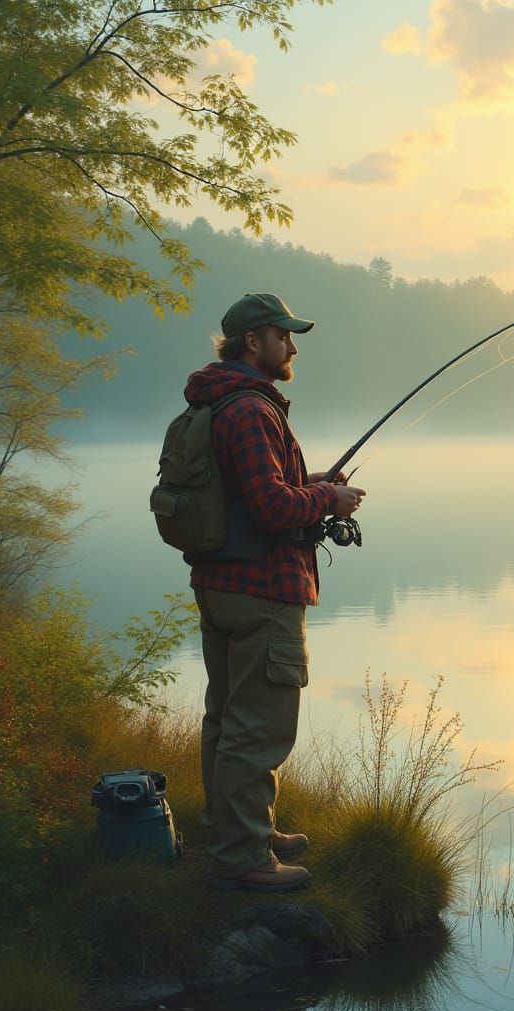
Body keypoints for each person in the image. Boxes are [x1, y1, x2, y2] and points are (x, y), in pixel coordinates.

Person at [183, 292, 366, 892]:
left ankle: (237, 828)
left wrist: (310, 483)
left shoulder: (222, 404)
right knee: (258, 727)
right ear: (252, 343)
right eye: (282, 337)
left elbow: (254, 491)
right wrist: (327, 500)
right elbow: (270, 508)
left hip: (221, 585)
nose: (292, 347)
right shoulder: (253, 411)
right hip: (261, 590)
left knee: (227, 718)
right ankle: (242, 859)